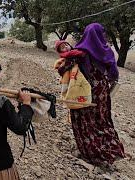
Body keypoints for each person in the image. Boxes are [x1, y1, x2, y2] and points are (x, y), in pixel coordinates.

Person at [65, 23, 125, 165]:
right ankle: (111, 150)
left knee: (84, 119)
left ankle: (92, 153)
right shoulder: (107, 51)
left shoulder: (80, 52)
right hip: (102, 91)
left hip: (83, 92)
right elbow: (114, 74)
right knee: (102, 119)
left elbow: (64, 68)